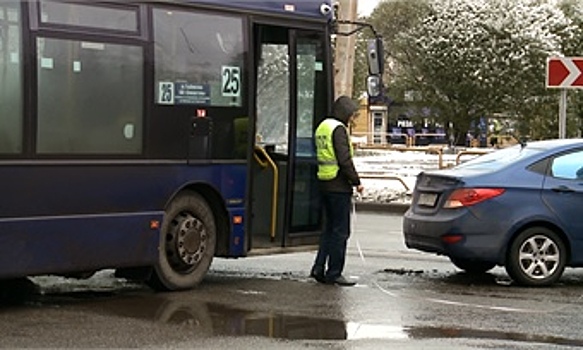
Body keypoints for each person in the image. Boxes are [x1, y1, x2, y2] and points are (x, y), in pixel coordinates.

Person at [310, 95, 364, 287]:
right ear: (344, 113)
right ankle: (334, 273)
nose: (352, 119)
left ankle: (318, 268)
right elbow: (344, 159)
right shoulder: (338, 129)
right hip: (338, 186)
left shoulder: (323, 126)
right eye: (351, 115)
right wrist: (356, 181)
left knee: (328, 230)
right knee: (341, 232)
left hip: (324, 181)